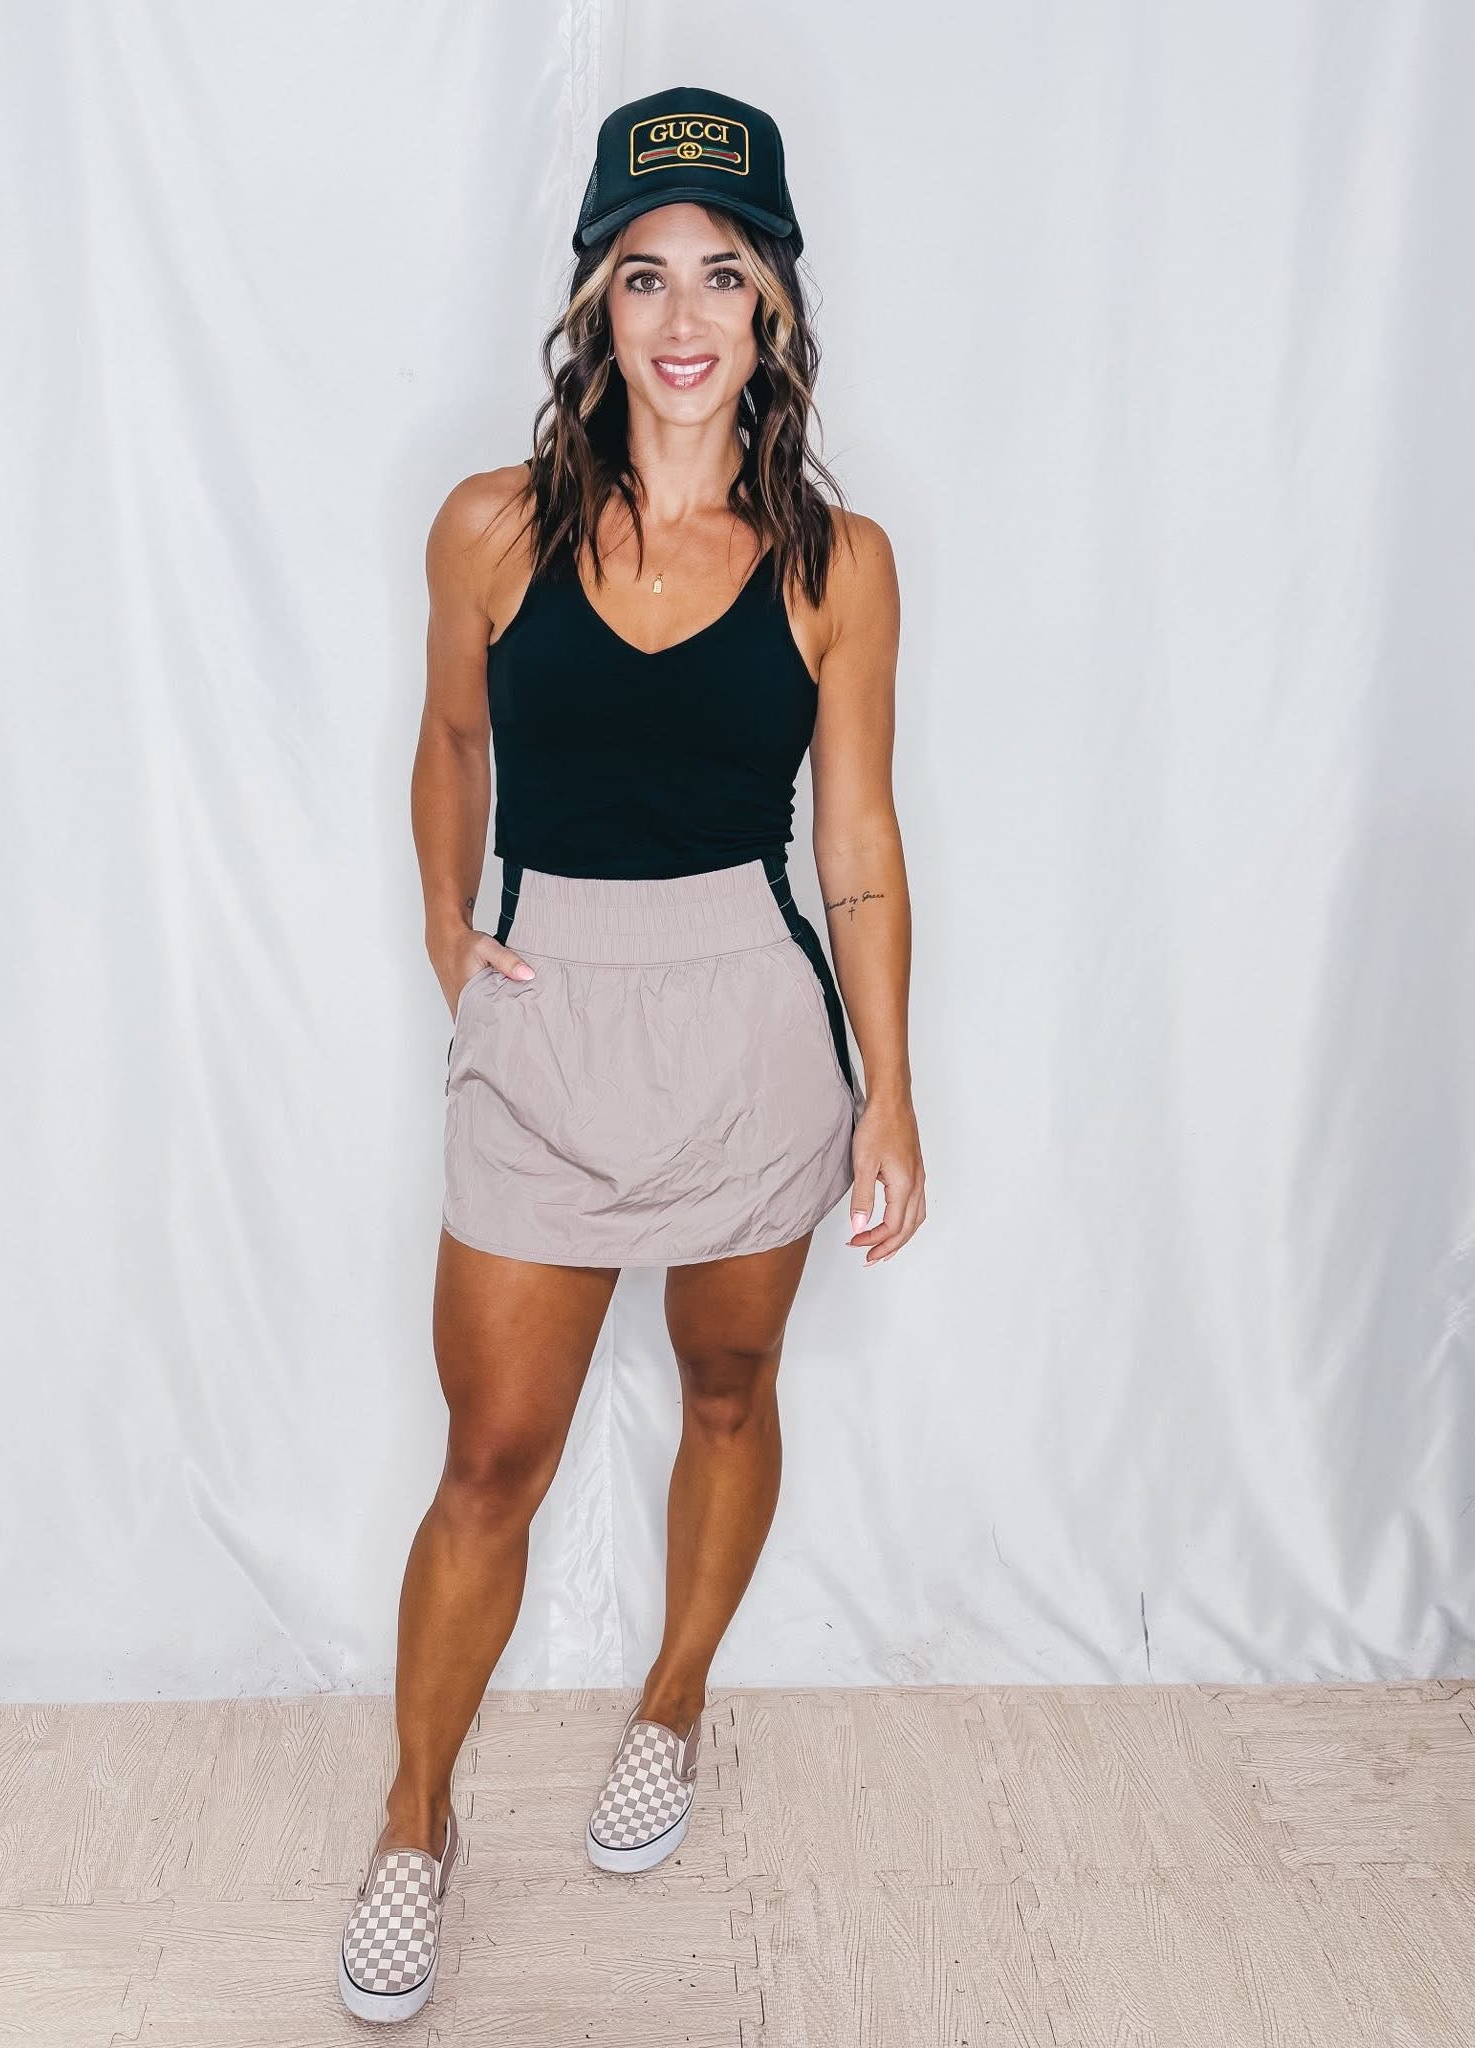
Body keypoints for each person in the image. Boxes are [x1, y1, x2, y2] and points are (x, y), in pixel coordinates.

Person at [338, 83, 926, 2023]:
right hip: (550, 1018)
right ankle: (415, 1820)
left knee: (731, 1384)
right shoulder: (490, 528)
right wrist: (449, 930)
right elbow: (452, 744)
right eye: (646, 272)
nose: (684, 315)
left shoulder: (838, 563)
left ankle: (671, 1699)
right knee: (488, 1459)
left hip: (753, 1019)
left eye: (724, 275)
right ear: (595, 296)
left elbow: (856, 841)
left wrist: (892, 1091)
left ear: (775, 307)